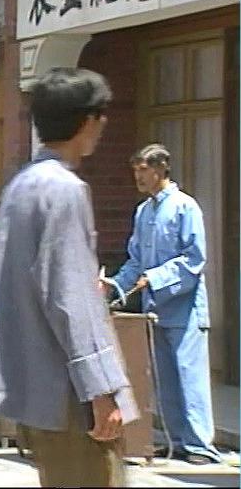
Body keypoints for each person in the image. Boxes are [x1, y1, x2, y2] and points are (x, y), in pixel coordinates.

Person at [0, 68, 138, 487]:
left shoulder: (21, 186)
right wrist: (100, 388)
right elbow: (71, 298)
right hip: (69, 389)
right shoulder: (64, 190)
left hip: (35, 381)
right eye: (100, 116)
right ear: (86, 121)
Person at [111, 144, 221, 465]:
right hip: (155, 310)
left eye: (143, 170)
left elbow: (194, 259)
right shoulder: (143, 211)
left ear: (160, 169)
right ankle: (176, 441)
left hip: (184, 309)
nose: (139, 177)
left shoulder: (185, 207)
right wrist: (114, 284)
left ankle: (199, 445)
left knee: (189, 377)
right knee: (165, 379)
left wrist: (156, 277)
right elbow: (136, 261)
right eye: (135, 171)